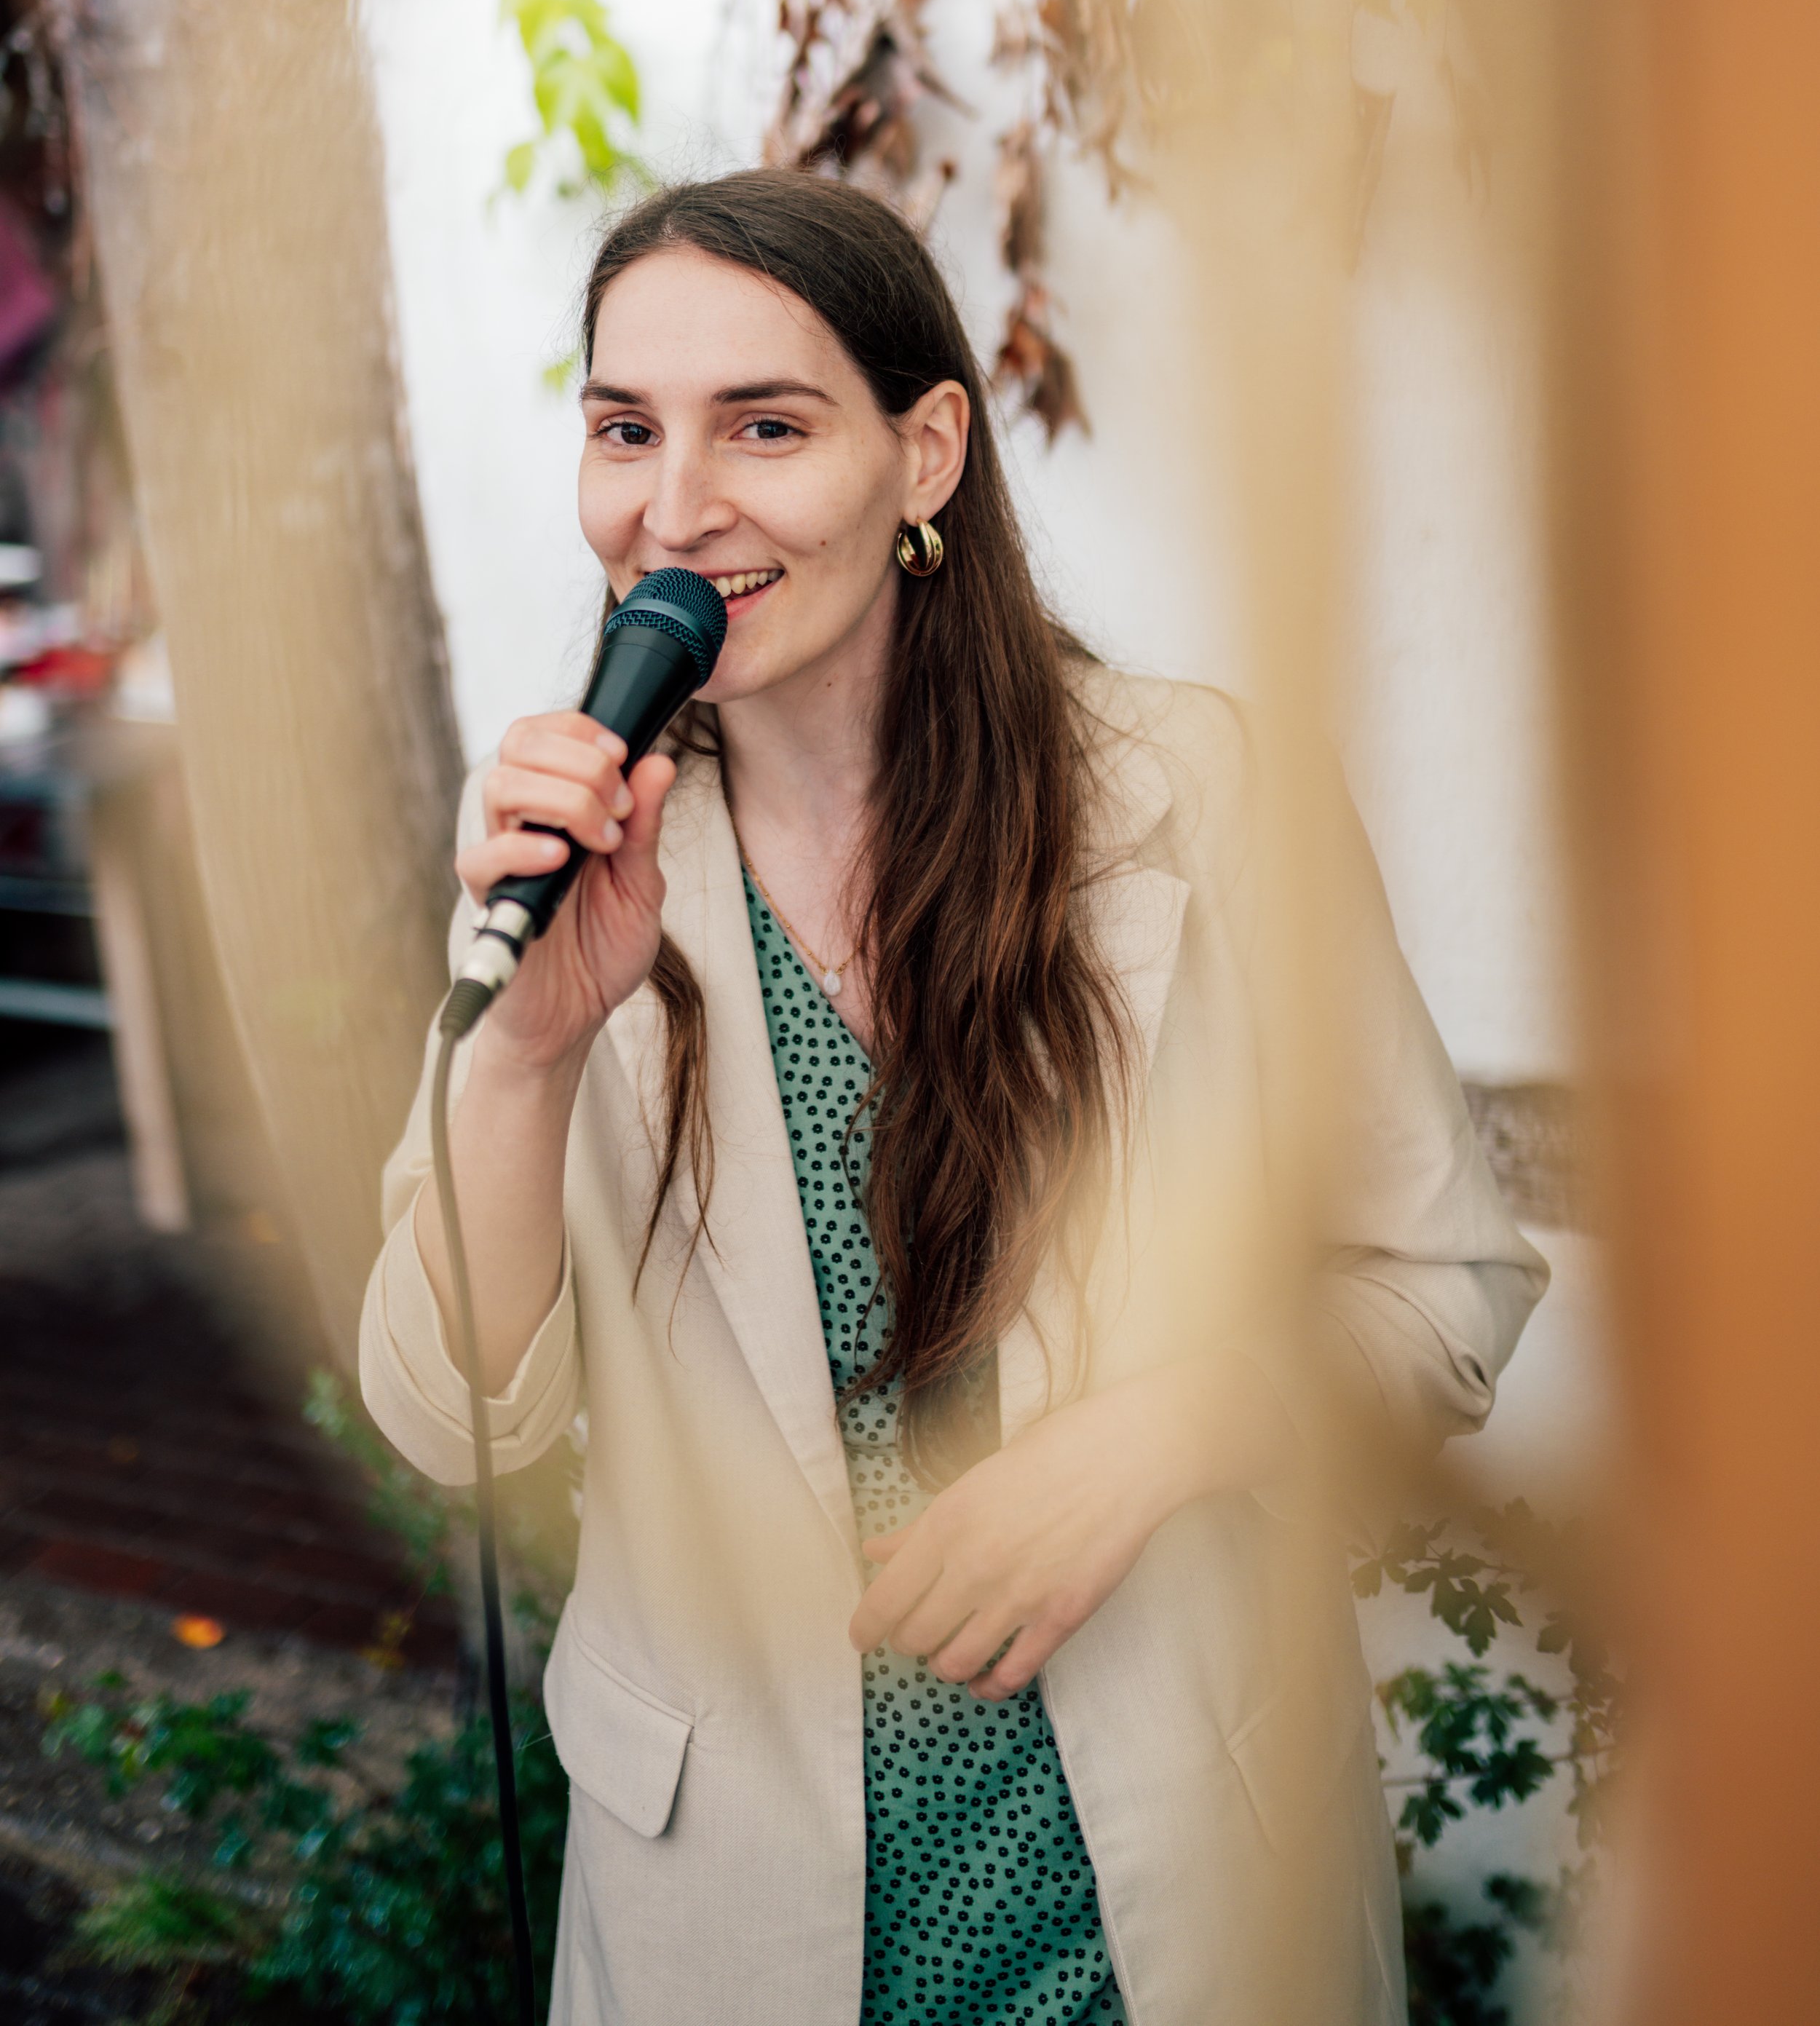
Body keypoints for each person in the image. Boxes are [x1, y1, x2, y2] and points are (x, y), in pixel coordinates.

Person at [360, 170, 1547, 2026]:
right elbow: (454, 1422)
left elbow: (1446, 1283)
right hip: (727, 1918)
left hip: (1169, 1889)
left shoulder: (1198, 793)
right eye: (623, 428)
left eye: (764, 423)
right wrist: (520, 1051)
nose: (674, 506)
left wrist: (1162, 1431)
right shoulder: (579, 857)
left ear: (924, 453)